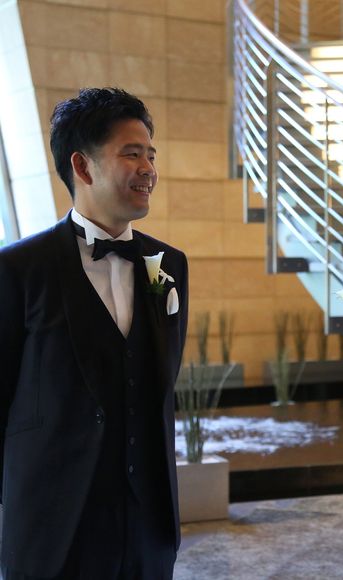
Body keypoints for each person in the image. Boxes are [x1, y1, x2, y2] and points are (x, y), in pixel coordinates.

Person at [0, 88, 189, 579]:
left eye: (151, 155)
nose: (148, 169)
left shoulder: (170, 265)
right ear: (82, 166)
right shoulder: (17, 269)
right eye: (132, 154)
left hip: (148, 528)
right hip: (53, 529)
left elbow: (158, 386)